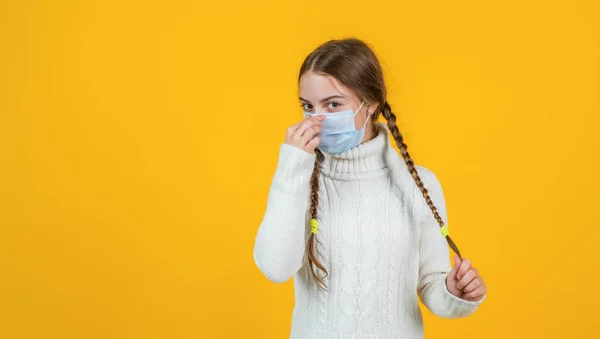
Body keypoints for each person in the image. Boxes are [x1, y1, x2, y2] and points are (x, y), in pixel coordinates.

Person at [253, 37, 487, 339]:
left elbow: (431, 281)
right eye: (308, 107)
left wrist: (453, 293)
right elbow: (275, 268)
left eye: (333, 104)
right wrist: (291, 168)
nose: (317, 119)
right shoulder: (299, 180)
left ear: (371, 104)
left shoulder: (419, 184)